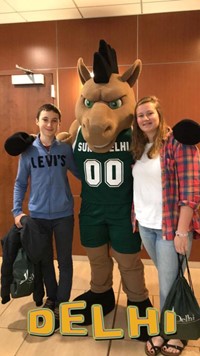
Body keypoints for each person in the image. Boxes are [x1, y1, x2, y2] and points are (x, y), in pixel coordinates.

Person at [131, 96, 200, 355]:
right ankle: (176, 323)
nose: (145, 119)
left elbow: (191, 191)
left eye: (149, 113)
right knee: (169, 279)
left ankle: (169, 333)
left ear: (159, 114)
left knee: (167, 284)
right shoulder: (139, 147)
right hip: (146, 225)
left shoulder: (178, 144)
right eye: (140, 115)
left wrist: (183, 231)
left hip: (170, 228)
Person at [12, 103, 80, 332]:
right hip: (38, 216)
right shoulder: (28, 151)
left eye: (54, 120)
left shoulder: (64, 149)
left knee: (65, 261)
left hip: (63, 215)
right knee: (45, 260)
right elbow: (20, 183)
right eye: (45, 119)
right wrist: (17, 211)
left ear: (59, 123)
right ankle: (52, 298)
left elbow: (79, 172)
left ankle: (62, 303)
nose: (50, 124)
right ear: (37, 122)